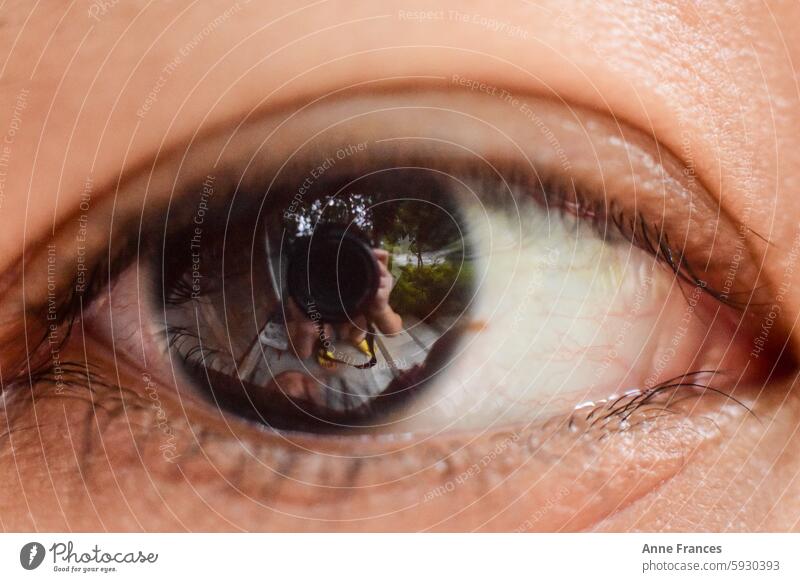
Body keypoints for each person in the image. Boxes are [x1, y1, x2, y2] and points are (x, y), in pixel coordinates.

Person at [0, 1, 799, 532]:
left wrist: (387, 320)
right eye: (246, 263)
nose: (331, 278)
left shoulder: (390, 338)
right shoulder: (253, 350)